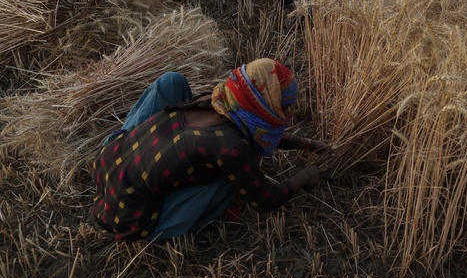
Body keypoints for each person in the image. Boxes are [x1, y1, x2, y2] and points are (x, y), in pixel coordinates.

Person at [92, 59, 333, 241]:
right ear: (265, 102)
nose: (287, 114)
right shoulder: (232, 147)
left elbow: (260, 131)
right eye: (284, 106)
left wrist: (308, 144)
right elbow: (265, 200)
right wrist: (305, 176)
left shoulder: (220, 98)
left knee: (171, 82)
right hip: (128, 218)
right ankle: (170, 223)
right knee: (233, 174)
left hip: (108, 162)